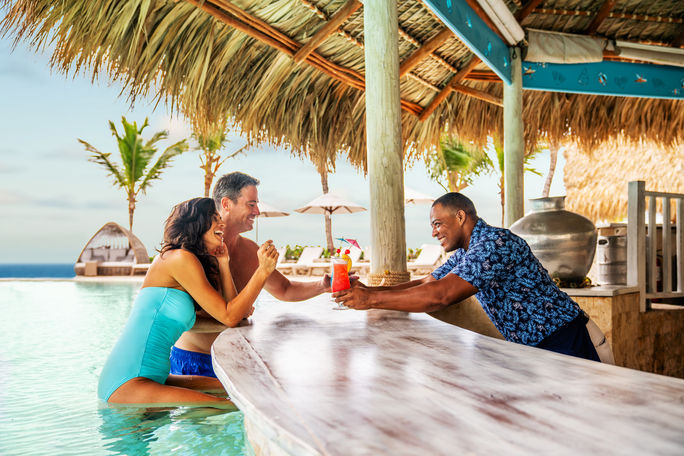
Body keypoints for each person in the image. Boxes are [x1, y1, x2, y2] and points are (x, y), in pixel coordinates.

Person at [334, 192, 614, 363]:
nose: (433, 232)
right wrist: (369, 289)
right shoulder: (467, 253)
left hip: (571, 340)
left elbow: (441, 296)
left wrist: (371, 299)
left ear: (459, 216)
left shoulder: (494, 243)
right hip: (540, 349)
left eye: (437, 223)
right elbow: (428, 282)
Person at [97, 197, 279, 404]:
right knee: (232, 405)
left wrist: (224, 263)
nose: (222, 224)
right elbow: (230, 316)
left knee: (239, 388)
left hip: (154, 376)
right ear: (196, 224)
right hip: (129, 380)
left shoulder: (183, 261)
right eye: (214, 218)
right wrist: (262, 271)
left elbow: (232, 317)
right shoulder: (179, 258)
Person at [169, 172, 332, 378]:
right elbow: (188, 313)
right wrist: (240, 308)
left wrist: (323, 285)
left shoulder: (250, 250)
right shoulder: (193, 252)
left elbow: (285, 289)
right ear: (227, 204)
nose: (257, 211)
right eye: (251, 204)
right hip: (195, 360)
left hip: (238, 361)